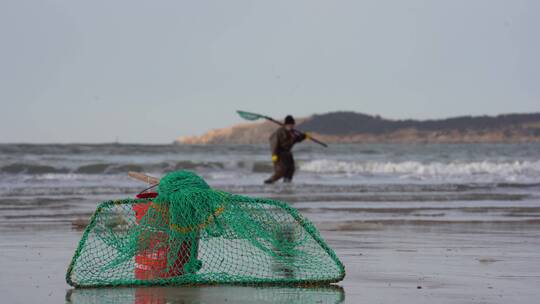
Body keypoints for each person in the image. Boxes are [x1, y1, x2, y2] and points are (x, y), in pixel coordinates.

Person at [264, 115, 310, 184]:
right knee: (281, 171)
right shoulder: (279, 132)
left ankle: (286, 185)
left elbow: (295, 140)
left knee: (291, 169)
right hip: (279, 153)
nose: (292, 126)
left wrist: (304, 137)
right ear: (286, 124)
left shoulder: (292, 132)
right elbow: (274, 143)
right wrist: (274, 155)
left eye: (292, 125)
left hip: (288, 154)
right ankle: (269, 182)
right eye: (290, 124)